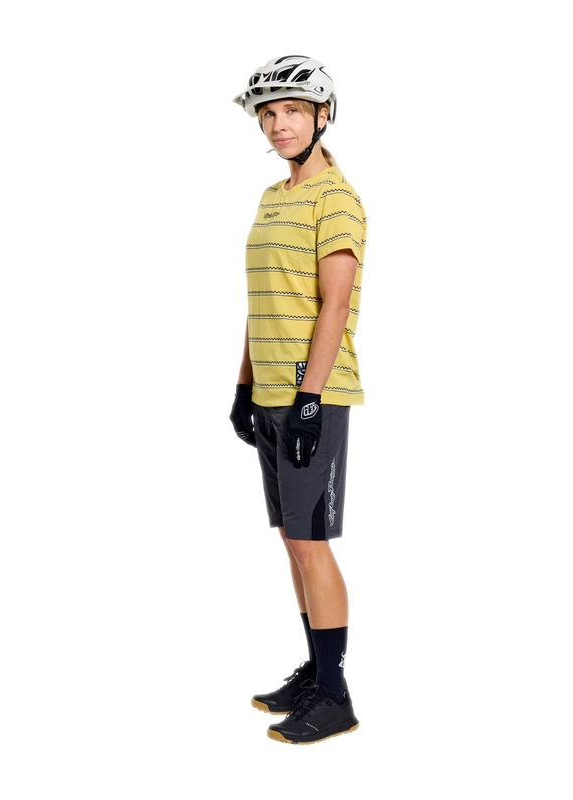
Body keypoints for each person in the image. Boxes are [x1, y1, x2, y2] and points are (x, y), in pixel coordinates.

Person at [229, 55, 367, 745]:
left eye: (291, 111)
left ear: (322, 115)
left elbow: (334, 305)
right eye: (268, 114)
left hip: (315, 394)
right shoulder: (272, 196)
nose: (278, 124)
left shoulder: (335, 199)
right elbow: (263, 302)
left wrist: (310, 399)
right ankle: (316, 672)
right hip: (271, 395)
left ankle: (335, 696)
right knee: (293, 540)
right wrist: (243, 384)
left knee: (311, 543)